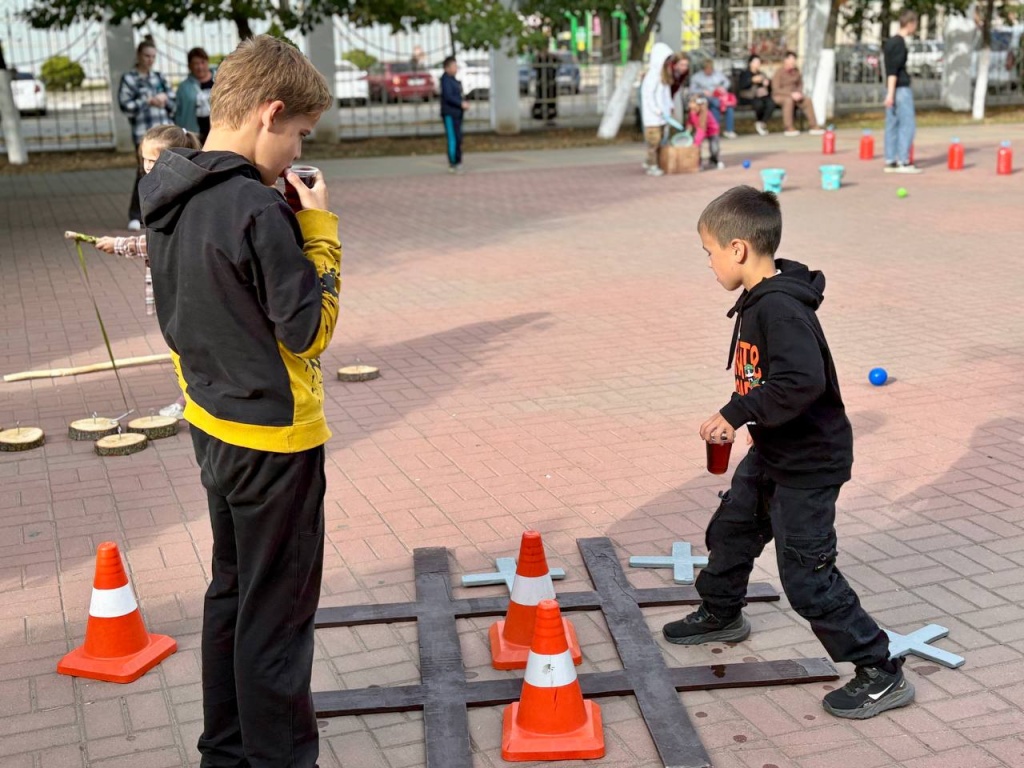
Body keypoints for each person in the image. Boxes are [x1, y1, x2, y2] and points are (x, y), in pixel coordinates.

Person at [139, 35, 340, 767]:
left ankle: (225, 752)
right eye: (299, 137)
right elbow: (309, 331)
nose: (296, 154)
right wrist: (317, 230)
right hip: (276, 441)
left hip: (211, 424)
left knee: (232, 593)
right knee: (278, 617)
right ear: (270, 113)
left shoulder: (165, 187)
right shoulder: (258, 209)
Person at [663, 185, 915, 721]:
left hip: (810, 464)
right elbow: (764, 376)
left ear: (737, 249)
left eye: (708, 252)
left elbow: (802, 380)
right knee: (733, 527)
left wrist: (735, 414)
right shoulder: (760, 299)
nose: (707, 264)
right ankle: (721, 612)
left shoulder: (779, 308)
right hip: (776, 450)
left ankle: (879, 672)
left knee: (806, 574)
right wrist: (740, 410)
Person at [94, 125, 200, 419]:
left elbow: (161, 244)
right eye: (145, 160)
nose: (148, 168)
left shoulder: (183, 196)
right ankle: (191, 398)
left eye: (155, 161)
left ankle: (189, 401)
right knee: (183, 347)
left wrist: (121, 245)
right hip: (175, 287)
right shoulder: (161, 191)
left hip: (189, 287)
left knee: (190, 348)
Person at [118, 35, 175, 230]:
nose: (150, 60)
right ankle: (136, 214)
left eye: (153, 56)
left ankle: (161, 212)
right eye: (146, 56)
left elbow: (173, 99)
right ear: (139, 55)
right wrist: (148, 101)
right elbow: (126, 106)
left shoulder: (158, 77)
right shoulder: (129, 79)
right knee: (144, 171)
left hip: (163, 132)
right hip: (144, 133)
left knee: (166, 171)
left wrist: (165, 99)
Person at [883, 11, 921, 173]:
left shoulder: (890, 42)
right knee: (907, 124)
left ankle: (891, 160)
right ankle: (904, 161)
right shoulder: (899, 44)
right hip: (900, 89)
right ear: (910, 24)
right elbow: (894, 70)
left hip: (892, 88)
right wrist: (891, 93)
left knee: (892, 124)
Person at [640, 43, 678, 177]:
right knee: (653, 142)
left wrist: (670, 107)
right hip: (653, 117)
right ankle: (652, 165)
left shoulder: (663, 76)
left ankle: (651, 162)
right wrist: (657, 110)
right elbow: (648, 97)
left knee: (661, 140)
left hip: (662, 116)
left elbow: (665, 95)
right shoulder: (651, 77)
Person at [770, 51, 824, 137]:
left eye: (794, 60)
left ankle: (813, 126)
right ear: (785, 60)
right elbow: (776, 89)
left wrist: (799, 93)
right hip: (781, 95)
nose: (793, 62)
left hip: (795, 95)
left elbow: (800, 84)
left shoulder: (796, 71)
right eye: (791, 59)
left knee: (807, 100)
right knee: (789, 101)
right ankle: (788, 127)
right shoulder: (779, 72)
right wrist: (791, 94)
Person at [174, 47, 215, 143]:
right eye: (196, 64)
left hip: (218, 131)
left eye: (202, 62)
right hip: (195, 134)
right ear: (189, 66)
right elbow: (178, 112)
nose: (200, 67)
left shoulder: (220, 80)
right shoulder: (183, 88)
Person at [690, 58, 737, 139]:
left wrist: (722, 88)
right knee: (715, 103)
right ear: (703, 69)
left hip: (718, 97)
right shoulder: (697, 77)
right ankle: (715, 130)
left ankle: (729, 130)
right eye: (707, 69)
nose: (709, 71)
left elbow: (727, 82)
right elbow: (692, 90)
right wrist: (702, 91)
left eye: (711, 69)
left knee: (728, 108)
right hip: (705, 98)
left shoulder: (718, 74)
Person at [440, 56, 469, 173]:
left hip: (457, 113)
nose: (456, 68)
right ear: (447, 68)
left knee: (458, 138)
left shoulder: (453, 80)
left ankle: (458, 161)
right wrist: (460, 104)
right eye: (454, 66)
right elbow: (448, 97)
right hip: (450, 113)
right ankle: (453, 163)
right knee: (453, 138)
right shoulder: (445, 80)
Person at [737, 54, 774, 136]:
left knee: (771, 103)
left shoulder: (761, 73)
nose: (757, 64)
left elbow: (768, 88)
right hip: (748, 96)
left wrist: (767, 84)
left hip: (761, 96)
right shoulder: (745, 73)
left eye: (759, 62)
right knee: (759, 104)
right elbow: (741, 86)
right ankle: (759, 123)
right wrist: (752, 80)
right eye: (755, 62)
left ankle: (761, 123)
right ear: (750, 63)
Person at [686, 95, 723, 170]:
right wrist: (687, 131)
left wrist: (696, 142)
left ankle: (714, 160)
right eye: (690, 103)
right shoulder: (692, 113)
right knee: (697, 147)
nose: (690, 105)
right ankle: (698, 163)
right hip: (701, 130)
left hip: (712, 131)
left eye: (692, 103)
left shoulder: (705, 113)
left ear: (698, 105)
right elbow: (690, 123)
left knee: (714, 149)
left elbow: (702, 129)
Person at [532, 48, 559, 125]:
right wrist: (539, 57)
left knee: (551, 100)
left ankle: (550, 117)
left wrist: (552, 57)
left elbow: (558, 64)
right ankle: (540, 115)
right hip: (541, 82)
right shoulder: (538, 58)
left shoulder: (552, 57)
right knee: (540, 99)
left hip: (550, 82)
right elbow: (534, 66)